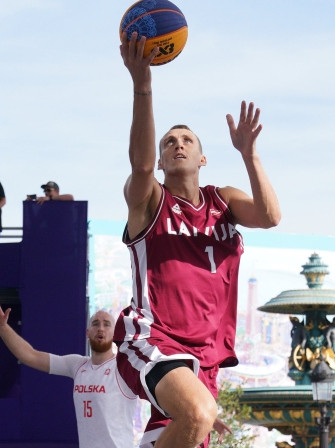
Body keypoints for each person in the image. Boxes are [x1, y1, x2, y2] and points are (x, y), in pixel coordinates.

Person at [113, 31, 281, 448]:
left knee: (195, 426)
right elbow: (139, 163)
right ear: (163, 158)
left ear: (202, 157)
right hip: (153, 336)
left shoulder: (223, 201)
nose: (178, 145)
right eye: (170, 142)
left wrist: (250, 155)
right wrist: (143, 85)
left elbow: (270, 216)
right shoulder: (149, 199)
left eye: (187, 140)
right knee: (200, 412)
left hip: (204, 356)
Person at [0, 294, 137, 448]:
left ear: (115, 333)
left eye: (106, 324)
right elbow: (30, 356)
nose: (100, 328)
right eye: (96, 324)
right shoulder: (77, 365)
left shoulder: (124, 367)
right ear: (87, 333)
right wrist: (2, 327)